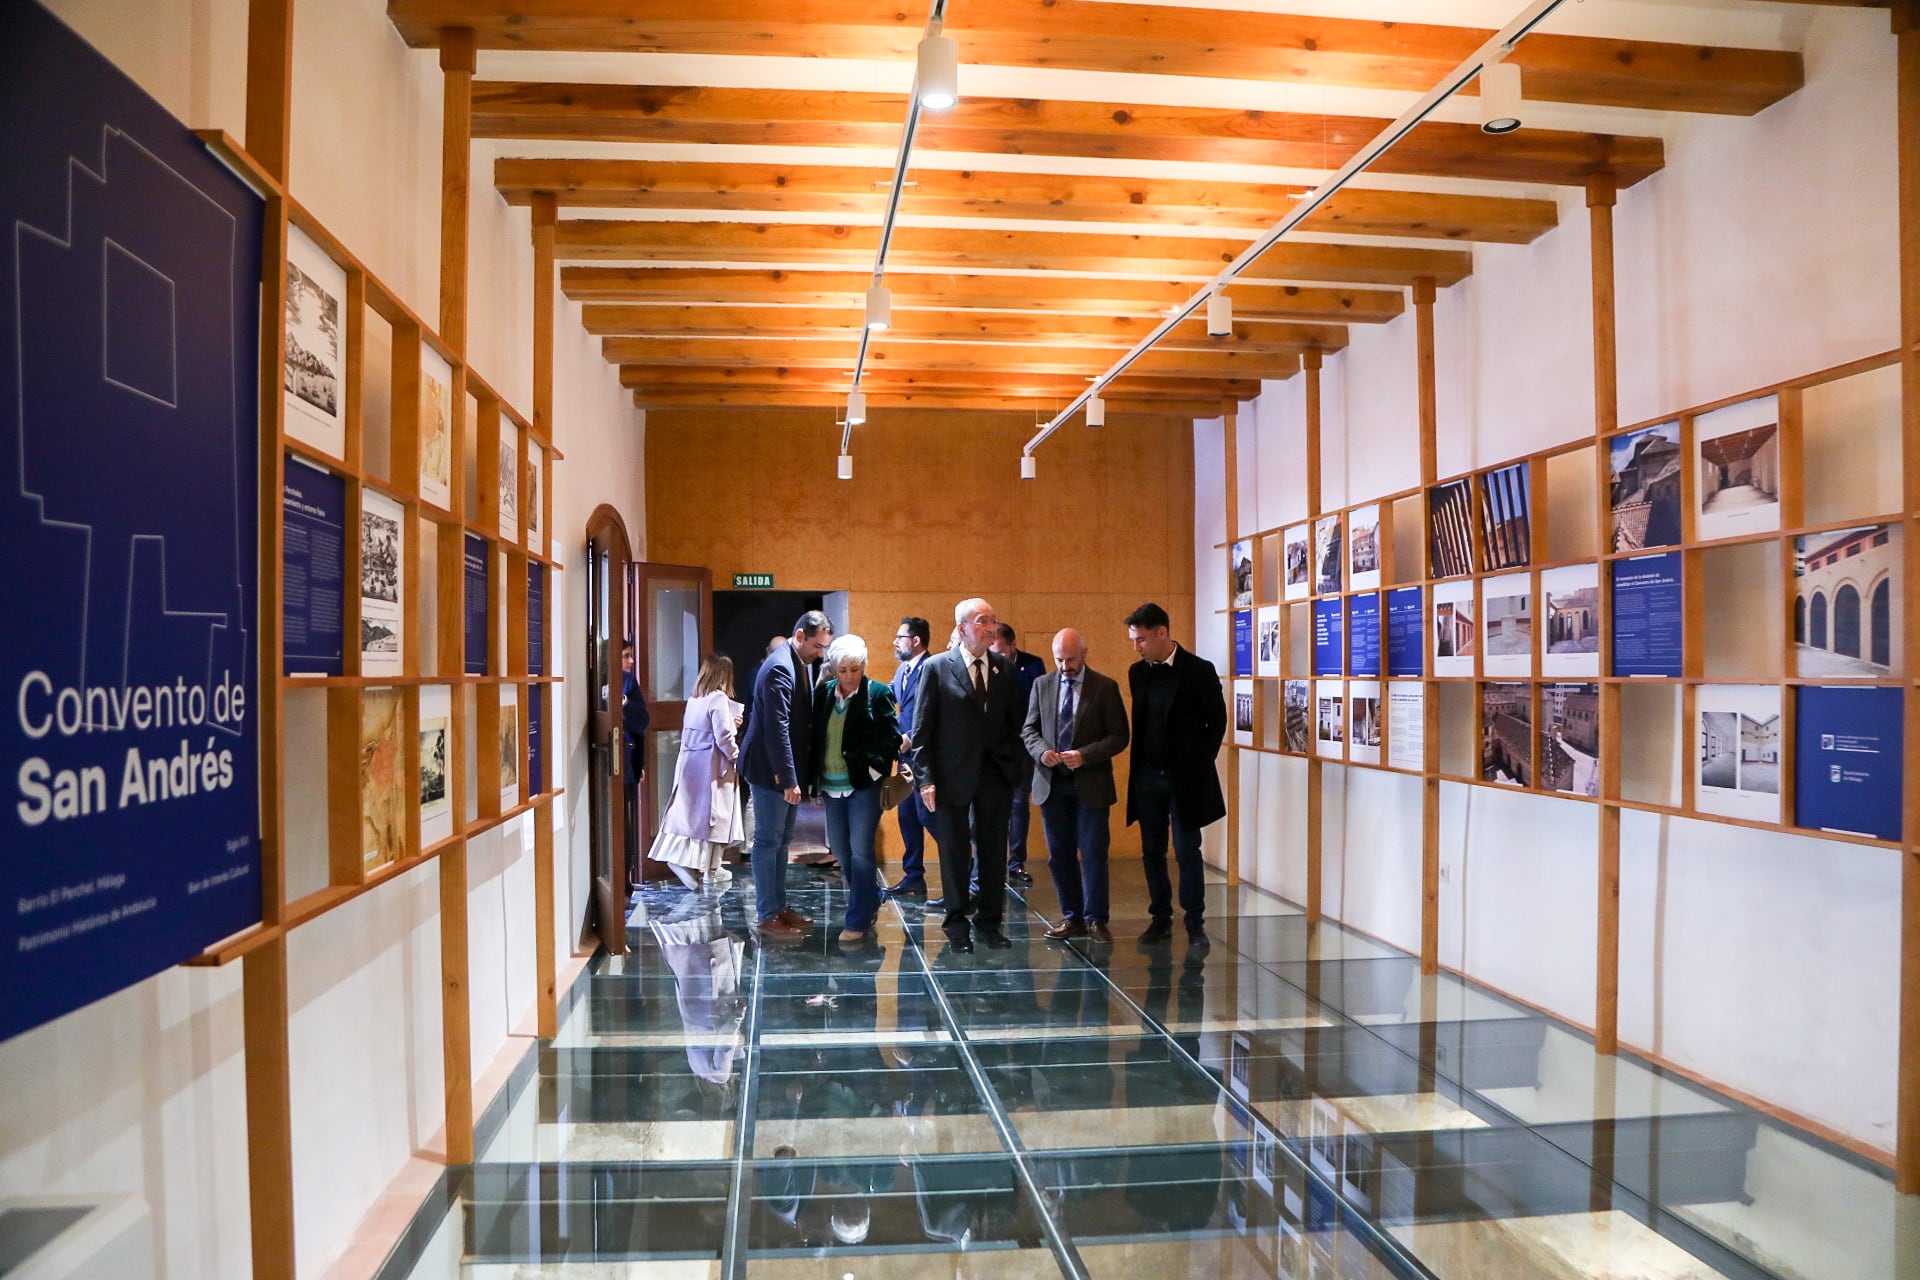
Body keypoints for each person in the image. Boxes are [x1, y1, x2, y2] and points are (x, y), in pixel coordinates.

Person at [909, 598, 1023, 953]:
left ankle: (989, 923)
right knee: (955, 852)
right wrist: (925, 778)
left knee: (992, 854)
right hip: (950, 774)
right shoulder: (938, 668)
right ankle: (956, 924)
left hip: (995, 775)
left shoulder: (1004, 667)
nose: (991, 627)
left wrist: (1015, 769)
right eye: (982, 621)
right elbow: (922, 729)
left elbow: (1014, 725)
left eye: (993, 620)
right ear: (961, 629)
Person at [1124, 602, 1226, 947]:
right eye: (1133, 640)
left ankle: (1195, 923)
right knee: (1152, 851)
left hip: (1185, 779)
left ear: (1162, 633)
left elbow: (1218, 721)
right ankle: (1160, 919)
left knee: (1187, 850)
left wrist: (1199, 764)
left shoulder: (1199, 670)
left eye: (1140, 639)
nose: (1136, 646)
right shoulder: (1137, 673)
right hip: (1148, 777)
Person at [1023, 629, 1129, 944]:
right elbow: (1029, 729)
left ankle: (1096, 918)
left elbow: (1119, 735)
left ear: (1084, 653)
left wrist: (1084, 756)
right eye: (1059, 659)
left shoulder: (1105, 687)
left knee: (1094, 852)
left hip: (1091, 783)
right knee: (1059, 854)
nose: (1065, 665)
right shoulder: (1041, 685)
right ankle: (1073, 918)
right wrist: (1042, 751)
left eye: (1070, 659)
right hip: (1052, 785)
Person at [740, 610, 834, 939]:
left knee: (781, 842)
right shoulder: (780, 666)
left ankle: (779, 907)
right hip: (769, 771)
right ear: (799, 637)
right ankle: (767, 915)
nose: (820, 653)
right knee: (768, 842)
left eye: (825, 647)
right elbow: (776, 728)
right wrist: (789, 779)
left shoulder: (796, 662)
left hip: (779, 769)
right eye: (817, 646)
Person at [806, 635, 901, 942]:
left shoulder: (878, 693)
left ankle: (857, 919)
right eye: (843, 669)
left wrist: (875, 769)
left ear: (863, 667)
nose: (849, 676)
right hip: (831, 785)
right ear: (834, 669)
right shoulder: (824, 693)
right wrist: (814, 782)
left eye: (855, 669)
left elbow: (891, 738)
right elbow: (816, 739)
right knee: (841, 851)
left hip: (863, 786)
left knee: (861, 852)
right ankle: (871, 897)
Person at [650, 654, 745, 890]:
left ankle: (707, 866)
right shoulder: (718, 699)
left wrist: (731, 724)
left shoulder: (695, 699)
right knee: (713, 818)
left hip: (690, 764)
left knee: (690, 817)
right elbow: (722, 735)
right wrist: (736, 754)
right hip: (712, 767)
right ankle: (706, 867)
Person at [990, 622, 1047, 886]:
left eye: (1001, 651)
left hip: (1023, 746)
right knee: (992, 806)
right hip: (994, 746)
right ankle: (991, 861)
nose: (997, 656)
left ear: (1013, 646)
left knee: (1018, 805)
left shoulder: (1033, 666)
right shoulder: (987, 665)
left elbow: (1040, 709)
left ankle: (1016, 863)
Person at [885, 616, 937, 897]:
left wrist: (911, 738)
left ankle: (964, 869)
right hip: (904, 761)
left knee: (929, 817)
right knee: (907, 817)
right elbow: (891, 697)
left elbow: (931, 714)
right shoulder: (903, 670)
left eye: (900, 637)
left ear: (916, 641)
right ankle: (913, 876)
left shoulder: (932, 668)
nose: (895, 642)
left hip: (924, 758)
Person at [621, 641, 649, 883]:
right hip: (607, 762)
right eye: (625, 656)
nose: (631, 661)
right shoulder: (600, 679)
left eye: (631, 655)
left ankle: (626, 879)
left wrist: (640, 764)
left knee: (626, 822)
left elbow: (641, 724)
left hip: (627, 763)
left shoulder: (629, 683)